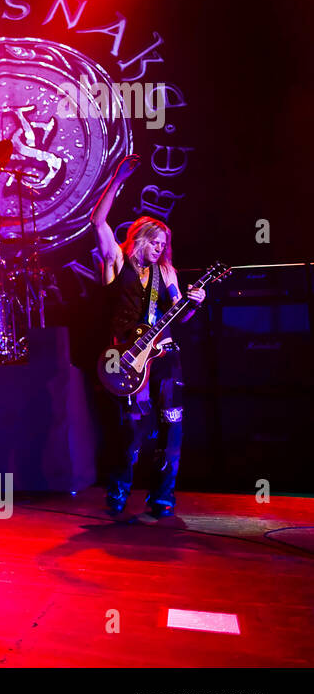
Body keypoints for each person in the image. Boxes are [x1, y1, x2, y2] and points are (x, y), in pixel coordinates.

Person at [91, 154, 204, 518]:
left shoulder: (166, 270)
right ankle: (119, 491)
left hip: (166, 356)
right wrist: (117, 179)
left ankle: (163, 496)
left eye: (164, 245)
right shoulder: (117, 261)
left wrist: (194, 301)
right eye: (156, 243)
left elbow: (180, 314)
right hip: (126, 358)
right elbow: (98, 220)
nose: (160, 249)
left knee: (172, 426)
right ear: (140, 238)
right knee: (132, 432)